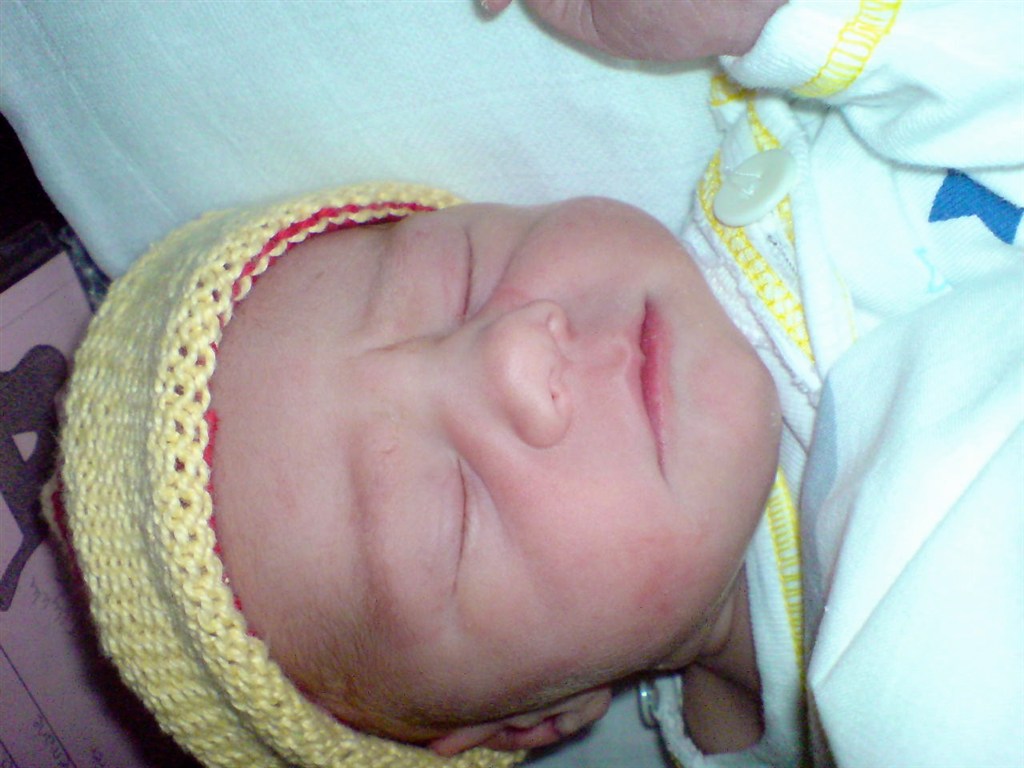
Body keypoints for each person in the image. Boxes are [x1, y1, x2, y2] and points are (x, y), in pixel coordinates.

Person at [47, 2, 1023, 768]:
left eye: (455, 279)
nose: (516, 355)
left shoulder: (818, 139)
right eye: (452, 512)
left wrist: (778, 20)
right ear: (531, 722)